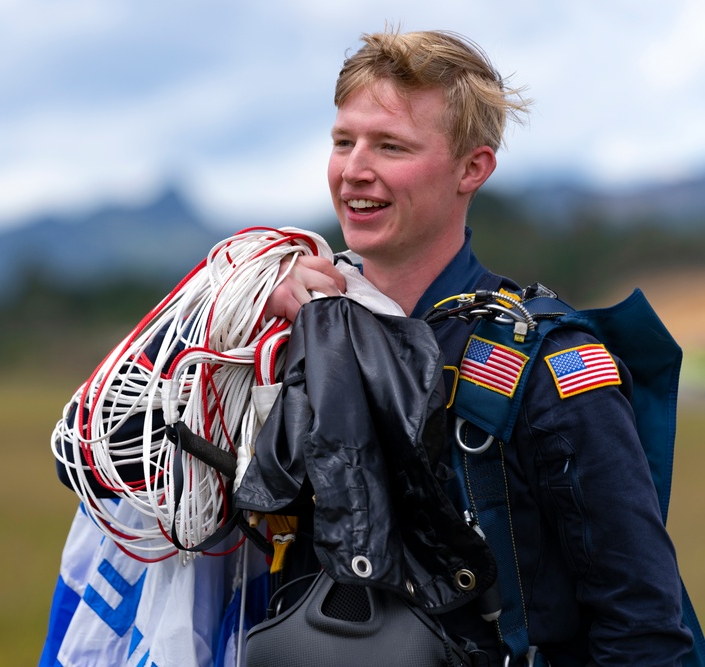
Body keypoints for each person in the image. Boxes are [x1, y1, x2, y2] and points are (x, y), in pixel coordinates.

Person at [256, 29, 696, 665]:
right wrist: (245, 319)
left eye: (391, 146)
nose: (355, 169)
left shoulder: (549, 367)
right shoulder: (283, 328)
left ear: (473, 168)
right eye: (344, 141)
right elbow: (108, 472)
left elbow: (645, 630)